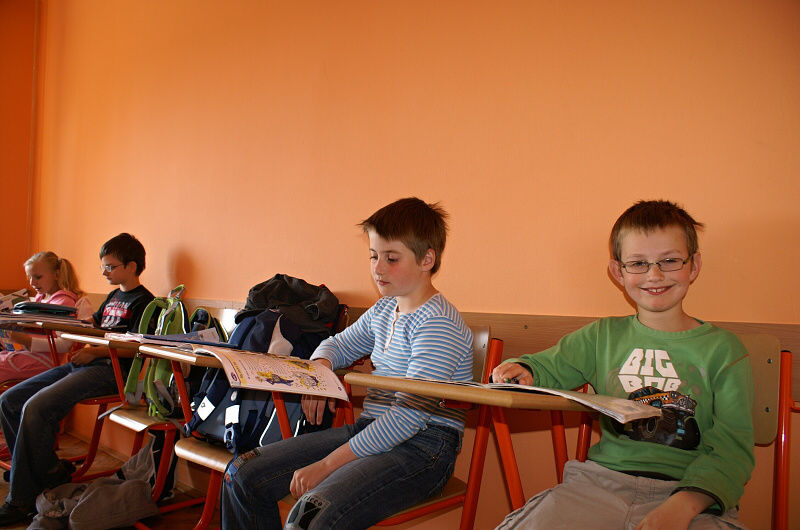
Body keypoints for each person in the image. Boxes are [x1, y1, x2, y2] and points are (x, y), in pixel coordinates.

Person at [493, 200, 753, 530]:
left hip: (693, 495)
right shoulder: (601, 336)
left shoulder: (725, 350)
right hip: (599, 485)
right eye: (638, 263)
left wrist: (683, 506)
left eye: (669, 261)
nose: (654, 275)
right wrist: (526, 369)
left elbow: (732, 451)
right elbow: (549, 366)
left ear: (694, 265)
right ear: (618, 272)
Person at [220, 197, 474, 529]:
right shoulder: (385, 309)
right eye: (373, 256)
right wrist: (320, 372)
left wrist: (327, 465)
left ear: (427, 259)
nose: (378, 268)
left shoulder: (438, 324)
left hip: (423, 449)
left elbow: (407, 418)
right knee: (241, 474)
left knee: (311, 514)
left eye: (391, 258)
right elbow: (336, 343)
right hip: (370, 430)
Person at [0, 233, 155, 526]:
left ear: (131, 266)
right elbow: (91, 327)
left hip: (110, 372)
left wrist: (93, 351)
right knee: (9, 401)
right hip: (85, 364)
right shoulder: (113, 297)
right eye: (103, 266)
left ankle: (20, 499)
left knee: (35, 407)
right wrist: (57, 323)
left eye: (110, 266)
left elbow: (135, 348)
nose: (104, 272)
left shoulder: (147, 302)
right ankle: (49, 473)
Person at [0, 251, 93, 382]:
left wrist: (27, 340)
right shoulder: (41, 299)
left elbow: (64, 345)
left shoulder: (63, 303)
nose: (32, 282)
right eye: (29, 277)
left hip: (47, 361)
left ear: (56, 275)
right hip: (29, 355)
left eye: (38, 277)